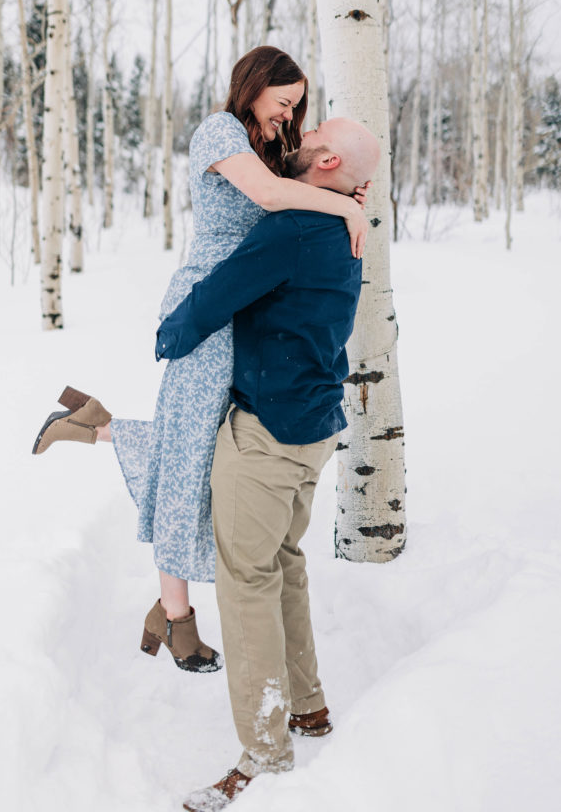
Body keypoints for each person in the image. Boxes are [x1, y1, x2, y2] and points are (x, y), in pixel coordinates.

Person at [32, 47, 370, 673]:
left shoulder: (270, 147)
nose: (291, 115)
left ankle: (98, 425)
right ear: (253, 87)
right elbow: (271, 199)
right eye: (284, 103)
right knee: (190, 455)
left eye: (298, 107)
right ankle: (175, 616)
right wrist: (348, 205)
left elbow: (293, 196)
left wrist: (342, 186)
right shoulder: (219, 132)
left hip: (249, 311)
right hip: (209, 309)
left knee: (216, 451)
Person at [152, 117, 381, 810]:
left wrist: (167, 335)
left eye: (313, 131)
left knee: (245, 581)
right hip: (313, 426)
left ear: (327, 158)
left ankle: (263, 753)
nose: (299, 133)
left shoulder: (291, 229)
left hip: (267, 432)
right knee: (281, 562)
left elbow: (214, 301)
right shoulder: (343, 226)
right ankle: (307, 706)